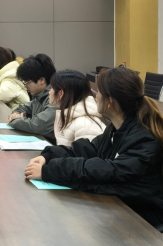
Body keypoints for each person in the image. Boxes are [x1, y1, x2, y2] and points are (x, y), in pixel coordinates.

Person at [25, 67, 163, 229]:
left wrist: (49, 171)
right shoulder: (116, 129)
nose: (95, 96)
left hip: (145, 225)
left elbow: (106, 172)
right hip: (121, 211)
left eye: (99, 92)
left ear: (110, 101)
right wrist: (48, 156)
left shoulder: (144, 139)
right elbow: (87, 149)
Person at [8, 54, 57, 143]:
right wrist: (16, 116)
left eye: (27, 82)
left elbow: (38, 125)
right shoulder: (39, 96)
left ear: (41, 80)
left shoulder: (55, 98)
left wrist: (15, 120)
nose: (25, 86)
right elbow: (20, 109)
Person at [48, 70, 105, 146]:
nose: (49, 92)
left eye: (52, 88)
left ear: (61, 93)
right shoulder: (67, 115)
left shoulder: (85, 125)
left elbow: (87, 153)